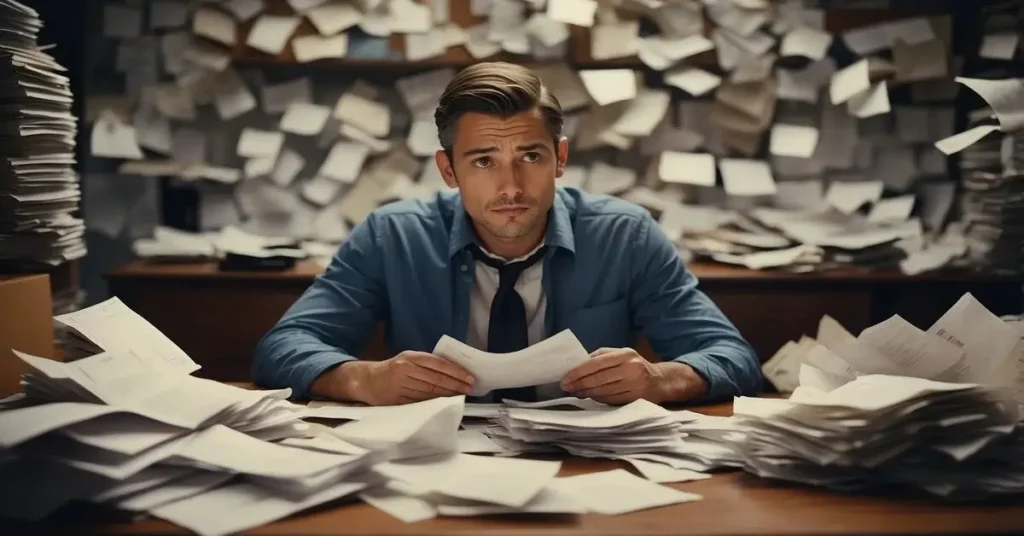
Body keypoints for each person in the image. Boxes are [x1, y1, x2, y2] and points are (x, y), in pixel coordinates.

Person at [252, 62, 761, 406]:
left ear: (559, 159)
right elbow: (282, 348)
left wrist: (658, 378)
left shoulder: (625, 235)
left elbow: (733, 357)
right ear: (448, 171)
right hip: (436, 460)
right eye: (483, 162)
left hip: (584, 464)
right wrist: (365, 377)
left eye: (530, 157)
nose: (511, 185)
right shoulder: (393, 235)